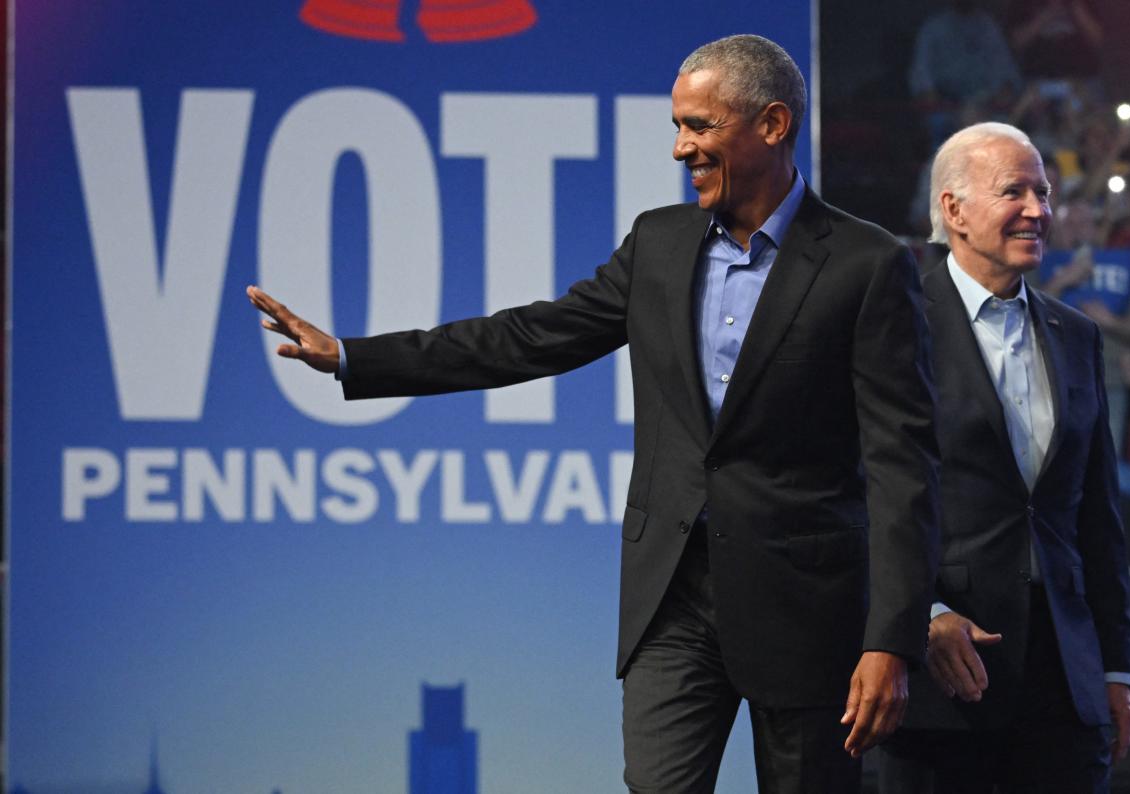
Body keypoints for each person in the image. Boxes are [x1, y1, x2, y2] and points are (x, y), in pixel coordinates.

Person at [248, 34, 941, 793]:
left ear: (772, 125)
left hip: (806, 610)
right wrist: (352, 355)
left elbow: (901, 467)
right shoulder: (658, 244)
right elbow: (526, 339)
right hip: (671, 599)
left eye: (699, 127)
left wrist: (891, 642)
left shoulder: (866, 264)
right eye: (677, 127)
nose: (681, 148)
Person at [878, 123, 1130, 793]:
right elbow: (861, 497)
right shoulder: (892, 326)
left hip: (1065, 685)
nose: (1037, 210)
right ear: (952, 209)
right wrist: (923, 617)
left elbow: (1097, 520)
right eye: (1013, 191)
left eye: (1042, 192)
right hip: (941, 682)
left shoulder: (1076, 335)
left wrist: (1115, 669)